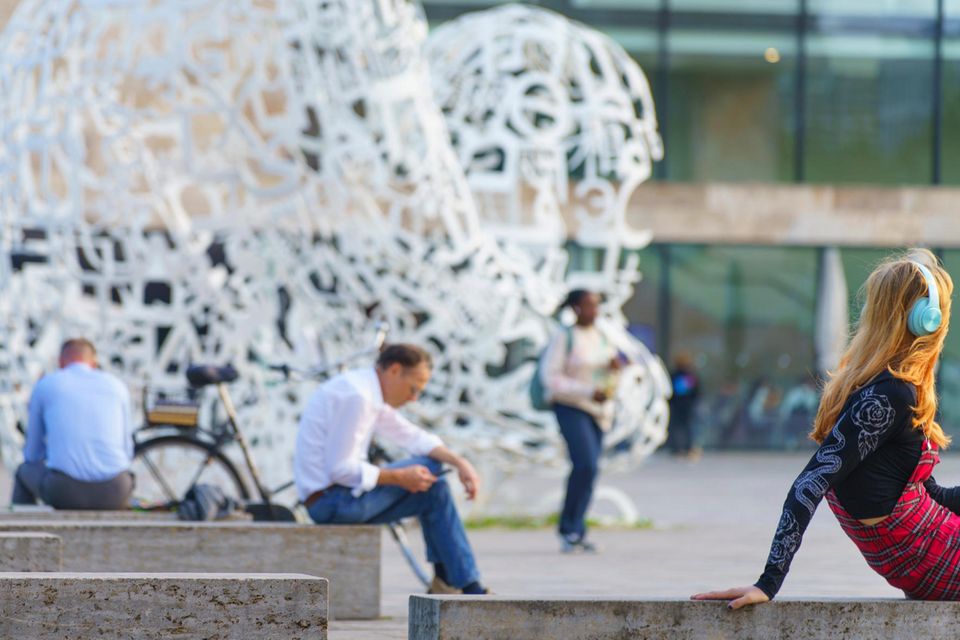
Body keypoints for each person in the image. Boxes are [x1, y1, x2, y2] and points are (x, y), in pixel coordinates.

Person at [693, 249, 960, 608]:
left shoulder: (878, 389)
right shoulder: (890, 395)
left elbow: (930, 497)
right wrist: (768, 583)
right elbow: (810, 483)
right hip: (938, 559)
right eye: (941, 310)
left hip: (931, 551)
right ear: (923, 320)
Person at [294, 343, 489, 595]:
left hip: (338, 500)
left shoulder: (367, 391)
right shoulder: (357, 396)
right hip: (330, 502)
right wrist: (398, 477)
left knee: (435, 488)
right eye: (414, 388)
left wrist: (460, 462)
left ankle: (457, 584)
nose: (414, 398)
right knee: (430, 468)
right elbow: (340, 470)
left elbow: (412, 436)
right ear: (395, 370)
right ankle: (462, 585)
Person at [12, 338, 135, 509]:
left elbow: (32, 453)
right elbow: (127, 449)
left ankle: (21, 532)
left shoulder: (47, 385)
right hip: (116, 489)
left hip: (65, 491)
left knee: (23, 471)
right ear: (94, 363)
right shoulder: (117, 386)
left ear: (61, 361)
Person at [541, 289, 620, 553]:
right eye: (588, 305)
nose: (593, 311)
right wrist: (587, 391)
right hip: (571, 406)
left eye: (596, 305)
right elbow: (550, 378)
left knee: (591, 468)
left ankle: (577, 528)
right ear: (575, 308)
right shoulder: (564, 337)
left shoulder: (601, 337)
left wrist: (614, 370)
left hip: (598, 411)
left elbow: (606, 369)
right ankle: (568, 529)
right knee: (584, 463)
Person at [667, 351, 700, 459]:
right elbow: (696, 392)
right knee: (686, 427)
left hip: (680, 405)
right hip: (686, 406)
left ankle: (679, 448)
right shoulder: (689, 376)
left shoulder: (677, 375)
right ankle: (686, 448)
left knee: (680, 427)